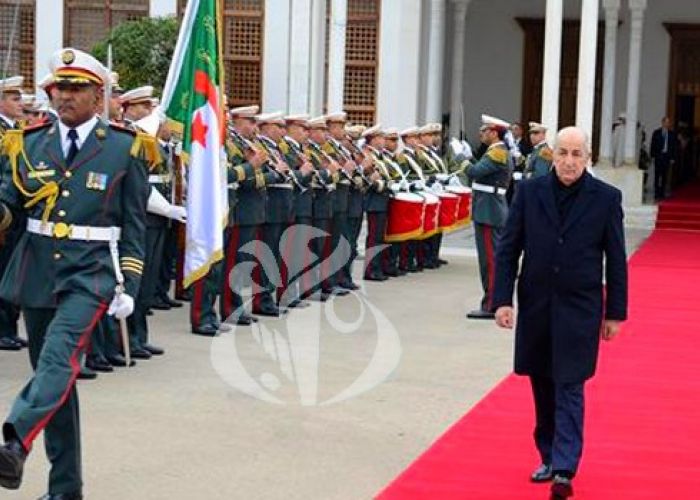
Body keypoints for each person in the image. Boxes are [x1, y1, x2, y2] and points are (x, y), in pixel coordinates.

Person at [0, 47, 149, 500]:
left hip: (92, 274)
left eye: (75, 88)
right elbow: (11, 203)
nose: (64, 96)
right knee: (58, 382)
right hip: (38, 270)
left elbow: (135, 226)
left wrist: (131, 283)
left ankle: (12, 441)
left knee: (57, 360)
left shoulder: (125, 147)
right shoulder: (29, 141)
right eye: (58, 88)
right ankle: (66, 490)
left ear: (97, 94)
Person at [492, 126, 628, 499]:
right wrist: (502, 300)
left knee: (570, 384)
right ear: (554, 156)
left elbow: (616, 259)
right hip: (536, 305)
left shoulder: (605, 199)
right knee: (543, 383)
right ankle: (549, 454)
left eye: (577, 155)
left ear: (588, 158)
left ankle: (565, 467)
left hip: (580, 308)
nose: (569, 162)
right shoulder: (530, 192)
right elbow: (508, 249)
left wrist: (615, 312)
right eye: (563, 153)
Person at [465, 114, 513, 319]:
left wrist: (463, 160)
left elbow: (475, 172)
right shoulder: (495, 152)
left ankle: (492, 303)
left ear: (494, 133)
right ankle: (492, 300)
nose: (481, 133)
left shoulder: (497, 153)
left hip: (489, 211)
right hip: (489, 209)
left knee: (490, 260)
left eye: (484, 130)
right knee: (491, 259)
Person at [0, 76, 27, 352]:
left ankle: (10, 325)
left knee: (13, 273)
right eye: (14, 98)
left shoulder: (18, 131)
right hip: (4, 214)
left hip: (18, 213)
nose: (20, 104)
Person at [650, 116, 679, 200]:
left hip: (667, 157)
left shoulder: (672, 134)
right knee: (657, 176)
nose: (667, 124)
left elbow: (674, 146)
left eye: (668, 122)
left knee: (664, 176)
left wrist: (673, 157)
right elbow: (653, 145)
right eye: (666, 122)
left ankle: (662, 193)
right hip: (658, 157)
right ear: (662, 122)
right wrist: (652, 156)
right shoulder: (656, 133)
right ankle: (656, 193)